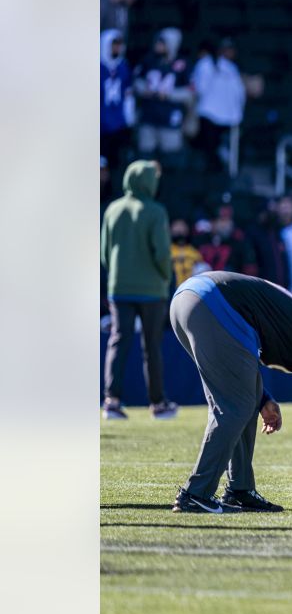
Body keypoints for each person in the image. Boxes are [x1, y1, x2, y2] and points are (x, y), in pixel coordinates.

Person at [169, 271, 292, 514]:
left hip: (187, 299)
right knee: (235, 407)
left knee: (244, 402)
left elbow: (244, 350)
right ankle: (196, 494)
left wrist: (263, 398)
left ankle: (240, 490)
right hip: (213, 304)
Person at [101, 160, 178, 421]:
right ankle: (158, 404)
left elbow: (104, 253)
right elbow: (161, 254)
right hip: (151, 291)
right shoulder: (155, 211)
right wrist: (166, 279)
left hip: (118, 287)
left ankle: (111, 401)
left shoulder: (112, 209)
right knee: (151, 346)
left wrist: (116, 276)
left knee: (118, 340)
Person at [134, 28, 191, 161]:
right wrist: (144, 90)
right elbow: (136, 81)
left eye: (162, 43)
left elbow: (189, 92)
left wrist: (169, 95)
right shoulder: (148, 60)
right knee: (145, 157)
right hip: (148, 116)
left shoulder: (183, 64)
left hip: (169, 118)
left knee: (169, 158)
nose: (158, 45)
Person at [190, 38, 246, 173]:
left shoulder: (232, 68)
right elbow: (199, 89)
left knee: (224, 157)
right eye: (226, 49)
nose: (230, 53)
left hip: (228, 121)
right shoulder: (205, 64)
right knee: (207, 156)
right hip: (208, 117)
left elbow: (239, 94)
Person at [100, 29, 134, 174]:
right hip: (100, 123)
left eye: (119, 45)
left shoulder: (123, 66)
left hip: (118, 122)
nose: (117, 48)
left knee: (115, 164)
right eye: (114, 44)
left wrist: (129, 117)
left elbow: (128, 93)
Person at [194, 204, 259, 276]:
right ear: (213, 223)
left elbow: (250, 271)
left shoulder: (239, 243)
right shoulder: (201, 241)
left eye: (228, 220)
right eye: (222, 220)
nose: (225, 225)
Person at [169, 218, 207, 290]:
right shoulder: (167, 250)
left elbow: (202, 269)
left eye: (182, 226)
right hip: (170, 289)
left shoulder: (194, 251)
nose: (179, 229)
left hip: (190, 289)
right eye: (176, 226)